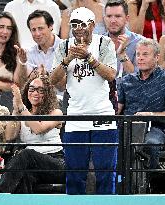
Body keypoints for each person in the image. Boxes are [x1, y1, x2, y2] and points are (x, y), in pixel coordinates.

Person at [50, 7, 118, 194]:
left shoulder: (103, 43)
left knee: (106, 173)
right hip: (75, 118)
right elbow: (52, 80)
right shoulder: (64, 46)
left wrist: (88, 58)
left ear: (93, 25)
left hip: (102, 116)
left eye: (82, 24)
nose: (78, 29)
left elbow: (111, 75)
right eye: (74, 25)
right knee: (74, 173)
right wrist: (68, 59)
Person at [0, 75, 65, 193]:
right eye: (31, 89)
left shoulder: (55, 112)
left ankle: (0, 192)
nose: (35, 92)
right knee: (25, 176)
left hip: (56, 163)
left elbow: (39, 129)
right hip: (31, 166)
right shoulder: (23, 113)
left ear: (47, 93)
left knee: (27, 153)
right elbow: (9, 136)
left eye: (40, 90)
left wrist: (21, 107)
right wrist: (15, 110)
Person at [117, 38, 165, 170]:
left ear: (157, 57)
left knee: (151, 143)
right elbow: (118, 109)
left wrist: (149, 114)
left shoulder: (163, 79)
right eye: (138, 54)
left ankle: (154, 183)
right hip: (128, 127)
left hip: (156, 127)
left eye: (145, 54)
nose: (140, 58)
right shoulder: (126, 81)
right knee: (112, 142)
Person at [104, 0, 145, 79]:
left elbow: (140, 79)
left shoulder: (141, 43)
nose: (113, 21)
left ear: (127, 19)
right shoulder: (98, 41)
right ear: (104, 18)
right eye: (109, 16)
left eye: (118, 16)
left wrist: (122, 54)